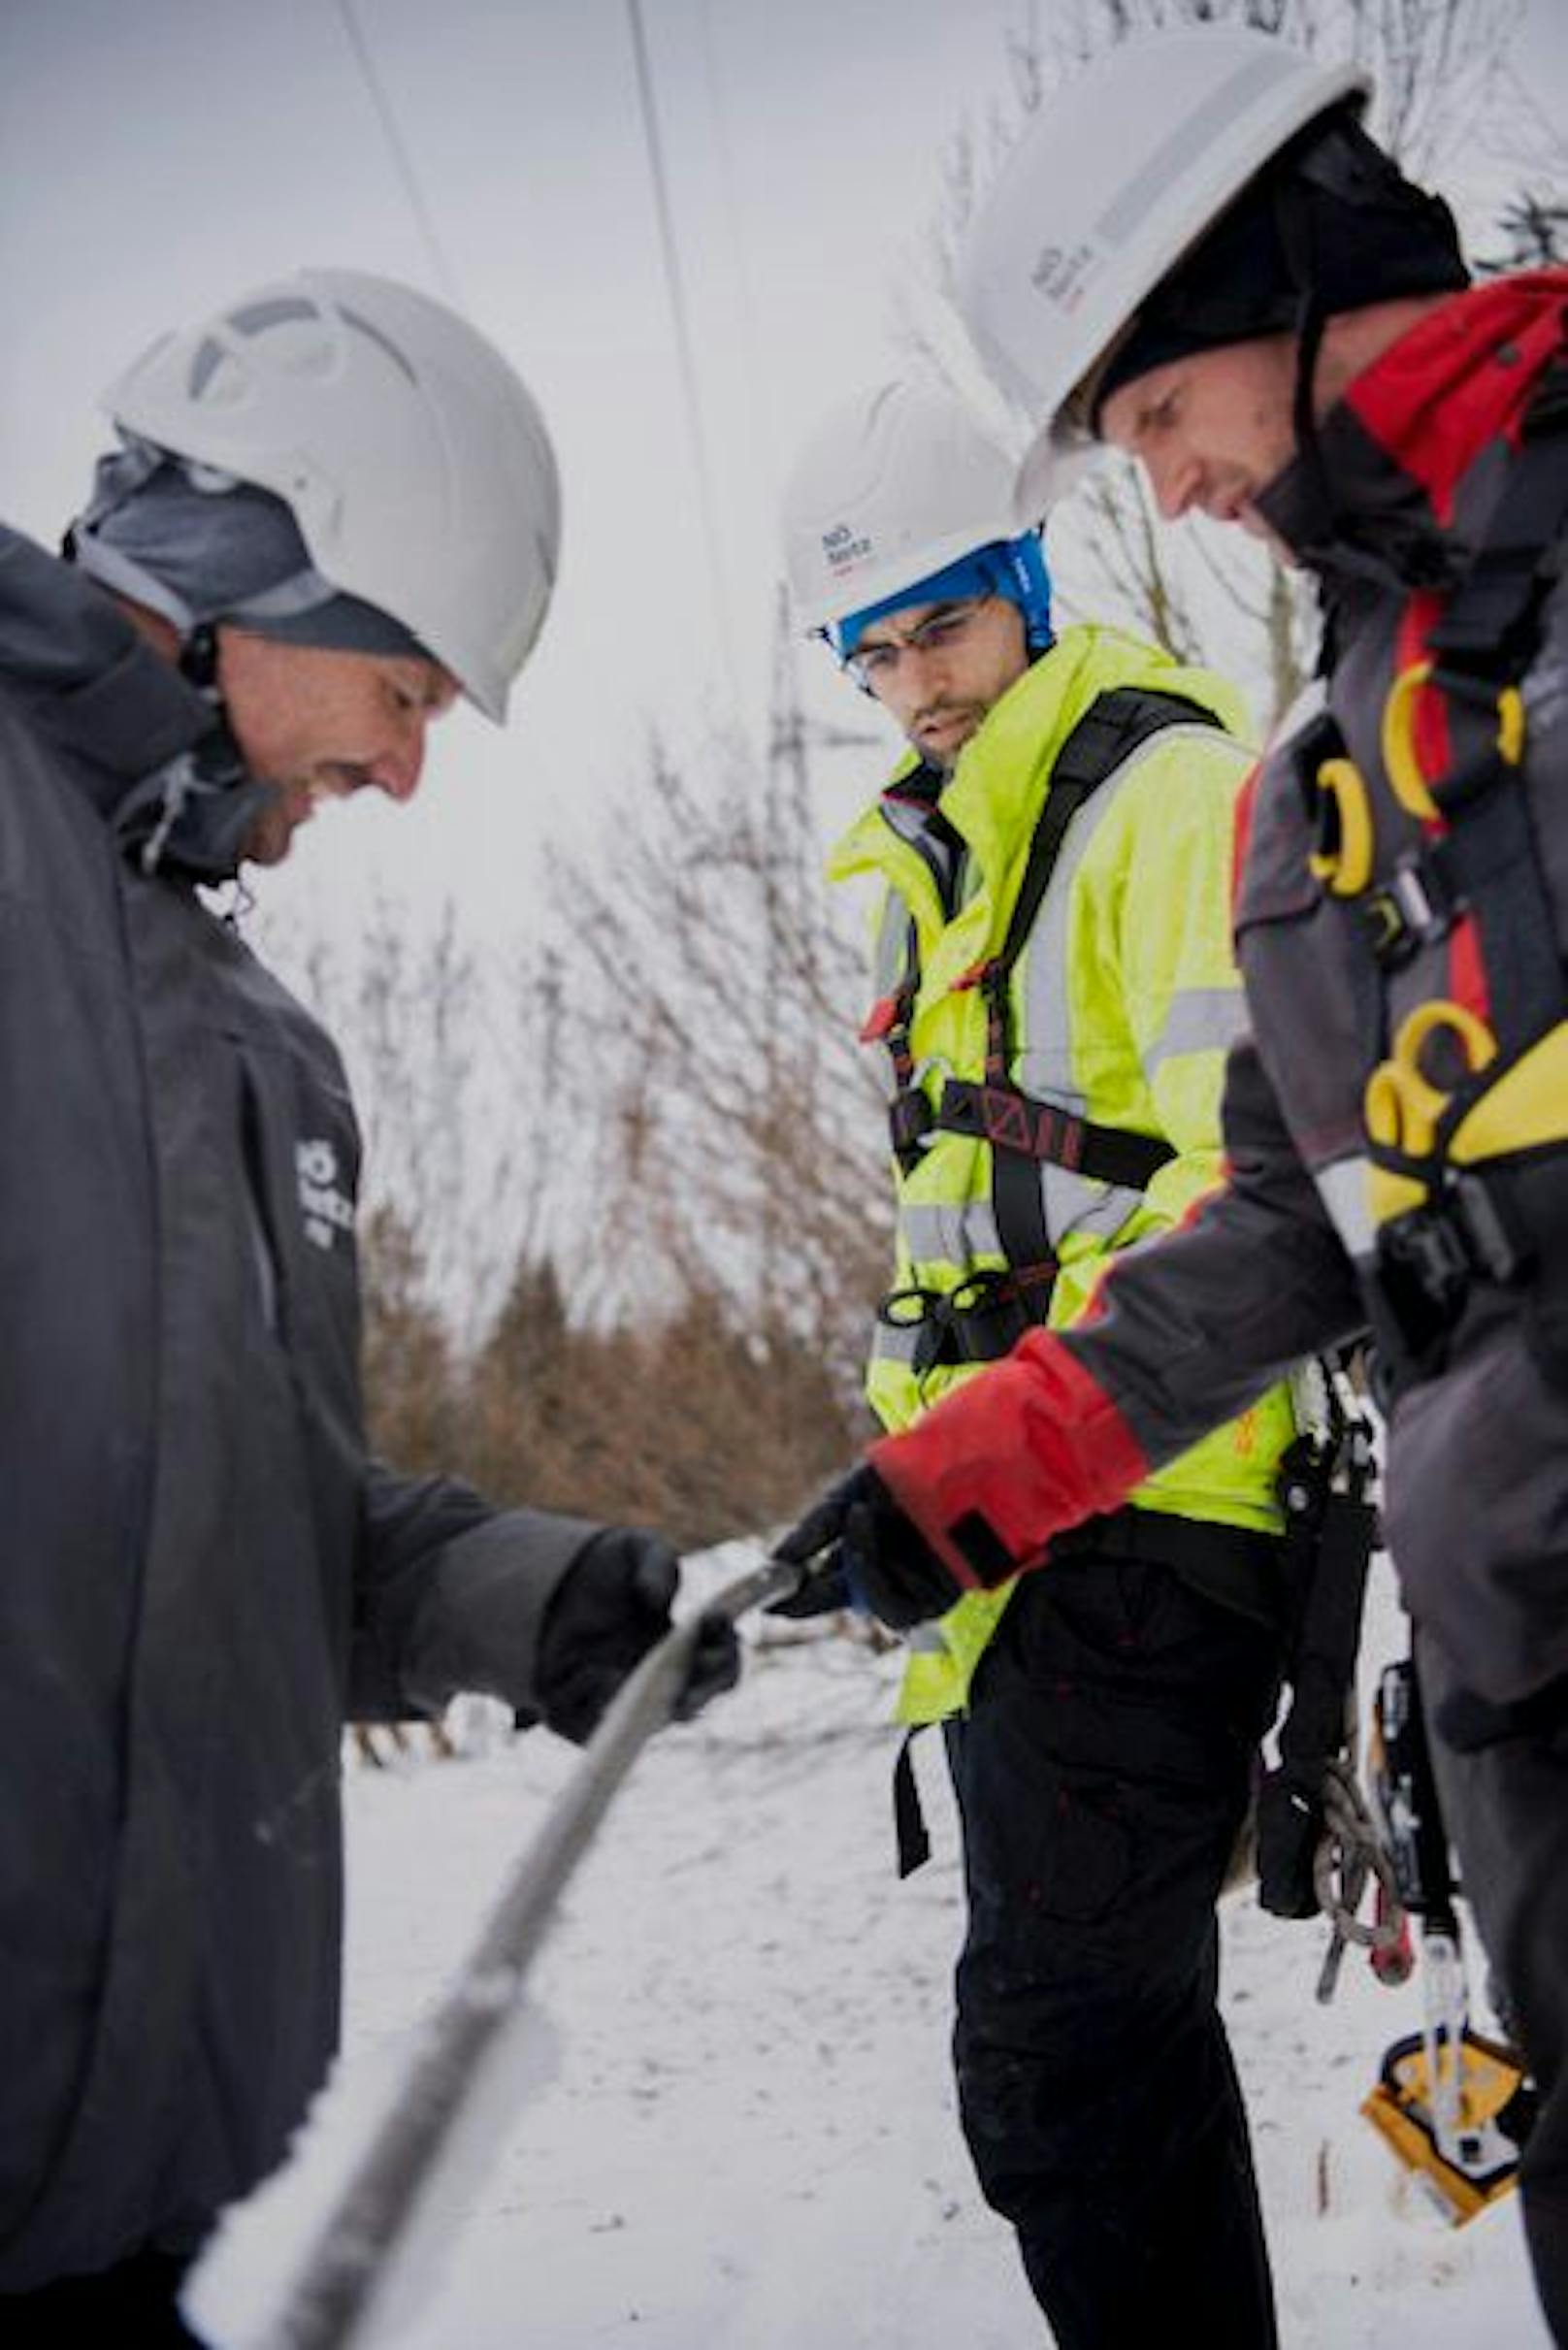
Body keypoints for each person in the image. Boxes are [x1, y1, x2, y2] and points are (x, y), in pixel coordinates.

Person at [793, 30, 1568, 2342]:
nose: (1179, 486)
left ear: (1287, 278)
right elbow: (1293, 1201)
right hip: (1519, 1619)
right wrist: (993, 1449)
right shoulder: (1345, 755)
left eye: (1157, 420)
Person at [0, 267, 736, 2342]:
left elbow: (227, 1542)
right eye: (408, 692)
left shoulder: (262, 1042)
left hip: (159, 2180)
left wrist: (534, 1592)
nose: (413, 774)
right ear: (261, 568)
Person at [776, 377, 1304, 2348]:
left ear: (1024, 586)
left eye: (946, 625)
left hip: (1154, 1497)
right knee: (1096, 2054)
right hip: (1014, 1529)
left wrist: (1018, 1439)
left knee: (1062, 2052)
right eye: (877, 649)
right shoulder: (958, 851)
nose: (917, 682)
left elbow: (1259, 1179)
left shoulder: (1158, 790)